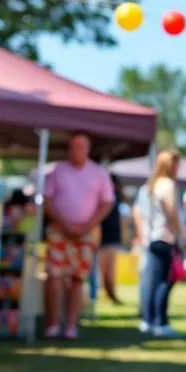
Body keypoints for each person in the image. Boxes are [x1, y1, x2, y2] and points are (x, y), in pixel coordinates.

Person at [42, 132, 115, 340]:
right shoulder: (58, 171)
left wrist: (88, 225)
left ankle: (71, 325)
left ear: (88, 149)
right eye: (73, 147)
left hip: (87, 232)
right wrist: (63, 224)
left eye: (81, 147)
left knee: (78, 277)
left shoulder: (99, 173)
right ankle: (53, 323)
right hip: (58, 230)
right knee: (54, 275)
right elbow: (47, 200)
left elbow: (107, 202)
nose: (76, 151)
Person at [140, 150, 184, 338]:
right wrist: (180, 234)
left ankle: (149, 319)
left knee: (153, 281)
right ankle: (161, 321)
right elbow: (172, 211)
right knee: (166, 281)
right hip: (166, 238)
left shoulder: (152, 186)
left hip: (153, 238)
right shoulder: (168, 185)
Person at [96, 173, 125, 306]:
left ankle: (110, 292)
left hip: (111, 235)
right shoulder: (103, 196)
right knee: (103, 268)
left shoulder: (114, 196)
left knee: (109, 267)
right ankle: (105, 292)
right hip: (103, 235)